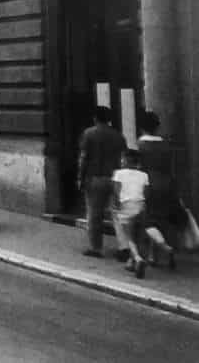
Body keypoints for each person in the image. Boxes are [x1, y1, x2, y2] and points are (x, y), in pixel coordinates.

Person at [137, 110, 185, 269]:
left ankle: (164, 249)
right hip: (168, 184)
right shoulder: (166, 145)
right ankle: (153, 255)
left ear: (142, 127)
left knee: (148, 221)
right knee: (162, 219)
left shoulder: (141, 145)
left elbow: (141, 168)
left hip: (150, 184)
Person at [77, 106, 127, 258]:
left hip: (95, 178)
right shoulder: (118, 135)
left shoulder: (89, 133)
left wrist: (80, 177)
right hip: (115, 178)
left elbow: (84, 157)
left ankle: (96, 247)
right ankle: (124, 246)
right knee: (118, 214)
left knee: (94, 214)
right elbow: (123, 158)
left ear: (95, 118)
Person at [111, 150, 149, 278]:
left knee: (129, 237)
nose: (121, 161)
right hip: (141, 205)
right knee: (138, 236)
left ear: (126, 160)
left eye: (122, 159)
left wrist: (116, 207)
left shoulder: (119, 174)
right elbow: (146, 193)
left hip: (126, 206)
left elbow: (116, 192)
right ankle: (131, 262)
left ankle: (138, 259)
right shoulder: (144, 175)